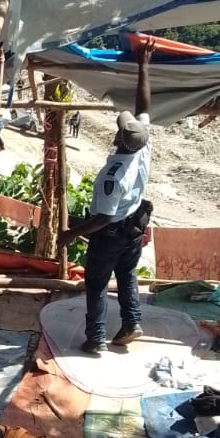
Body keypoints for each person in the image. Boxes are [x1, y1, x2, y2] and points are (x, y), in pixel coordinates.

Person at [58, 44, 153, 356]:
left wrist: (71, 233)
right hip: (133, 228)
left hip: (111, 232)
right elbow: (144, 106)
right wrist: (143, 66)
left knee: (97, 282)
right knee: (126, 275)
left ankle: (96, 338)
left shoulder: (113, 176)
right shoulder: (142, 146)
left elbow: (103, 218)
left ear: (118, 140)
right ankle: (132, 322)